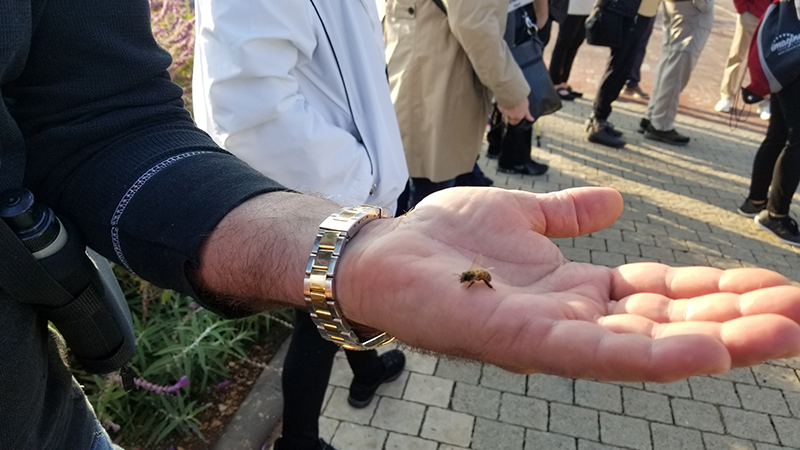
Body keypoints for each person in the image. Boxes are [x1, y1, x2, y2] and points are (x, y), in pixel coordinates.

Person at [7, 1, 800, 449]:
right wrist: (353, 209)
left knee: (345, 305)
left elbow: (102, 119)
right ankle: (306, 433)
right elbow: (251, 105)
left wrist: (352, 244)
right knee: (322, 324)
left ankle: (364, 363)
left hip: (49, 424)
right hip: (332, 184)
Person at [191, 1, 408, 449]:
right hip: (333, 193)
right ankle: (299, 441)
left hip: (341, 187)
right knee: (319, 319)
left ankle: (366, 371)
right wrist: (364, 180)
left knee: (332, 308)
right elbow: (250, 114)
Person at [384, 0, 538, 208]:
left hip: (419, 66)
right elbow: (474, 22)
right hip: (440, 76)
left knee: (403, 191)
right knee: (428, 202)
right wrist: (512, 93)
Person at [485, 1, 551, 176]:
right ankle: (515, 159)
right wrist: (542, 13)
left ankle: (496, 144)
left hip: (501, 13)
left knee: (504, 75)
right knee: (519, 83)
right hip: (517, 12)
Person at [585, 0, 660, 148]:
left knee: (623, 66)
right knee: (619, 66)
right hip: (631, 12)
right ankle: (598, 121)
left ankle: (600, 118)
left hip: (642, 13)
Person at [638, 0, 714, 146]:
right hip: (692, 9)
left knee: (670, 58)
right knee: (679, 63)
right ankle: (661, 123)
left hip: (681, 7)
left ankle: (654, 116)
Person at [737, 76, 800, 246]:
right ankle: (776, 215)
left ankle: (755, 201)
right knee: (795, 142)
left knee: (778, 133)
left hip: (786, 63)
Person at [713, 0, 771, 119]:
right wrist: (743, 10)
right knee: (737, 56)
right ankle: (726, 96)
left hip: (771, 17)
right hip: (749, 15)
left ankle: (764, 101)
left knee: (766, 61)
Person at [548, 0, 593, 101]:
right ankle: (554, 81)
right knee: (564, 42)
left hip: (586, 6)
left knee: (576, 41)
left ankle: (563, 80)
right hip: (571, 6)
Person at [620, 13, 656, 100]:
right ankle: (617, 83)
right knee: (625, 44)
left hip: (649, 8)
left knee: (639, 45)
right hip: (634, 8)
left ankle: (630, 83)